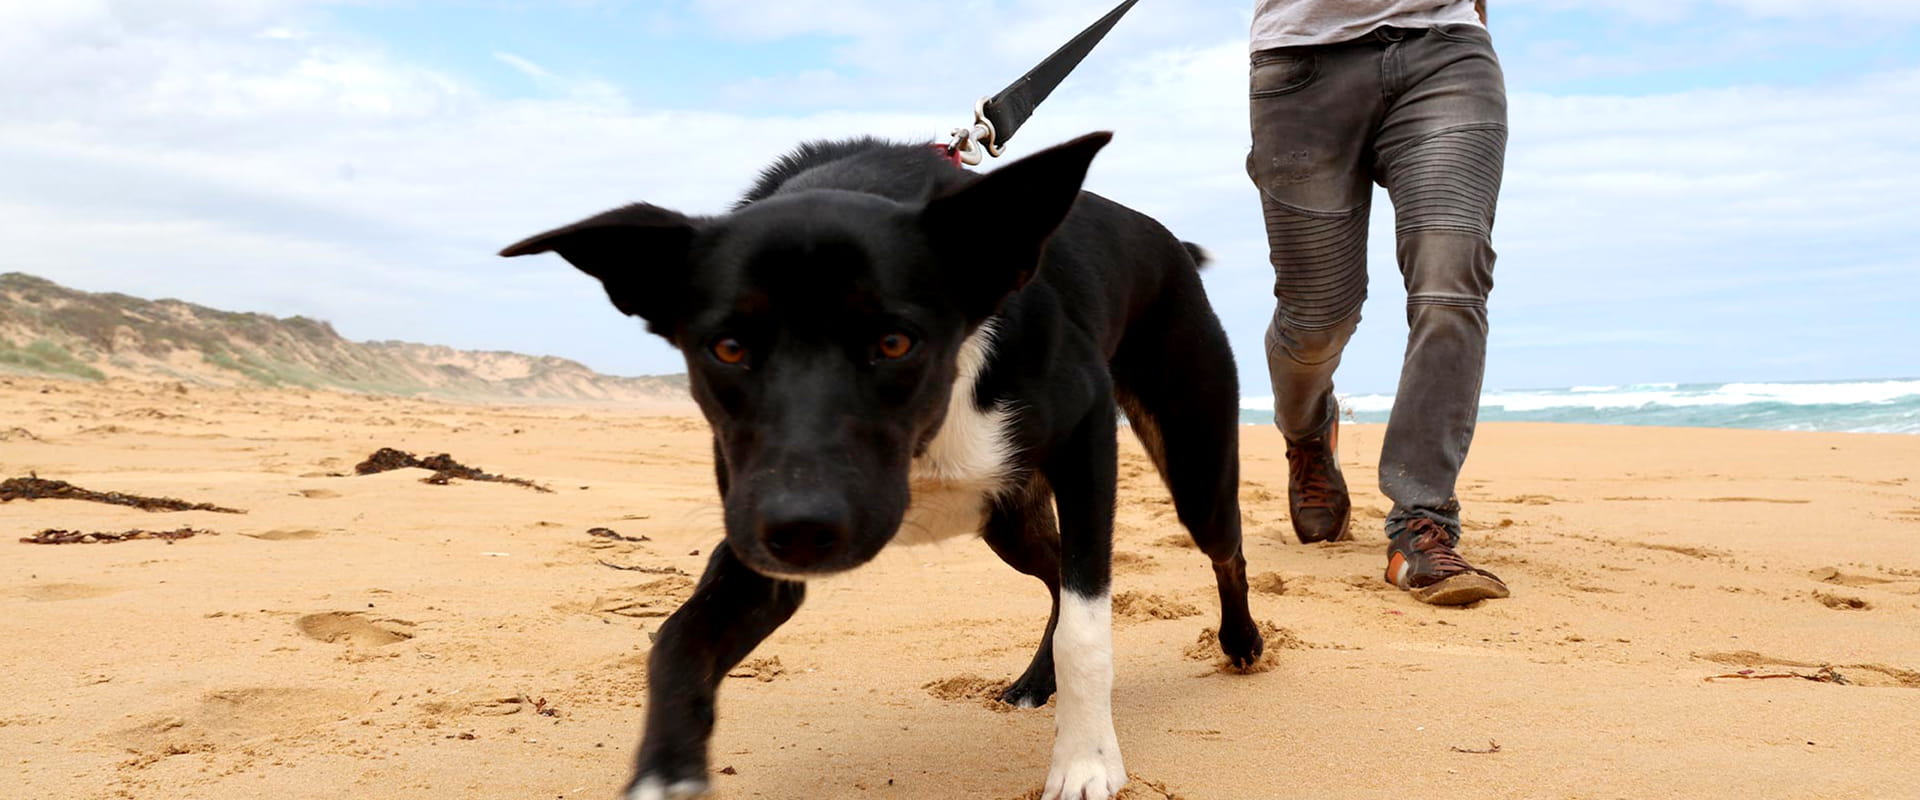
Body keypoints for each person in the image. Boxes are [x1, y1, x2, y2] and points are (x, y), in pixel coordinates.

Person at [1246, 0, 1510, 605]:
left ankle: (1423, 523)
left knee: (1451, 283)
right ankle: (1308, 433)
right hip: (1299, 67)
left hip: (1447, 55)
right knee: (1317, 316)